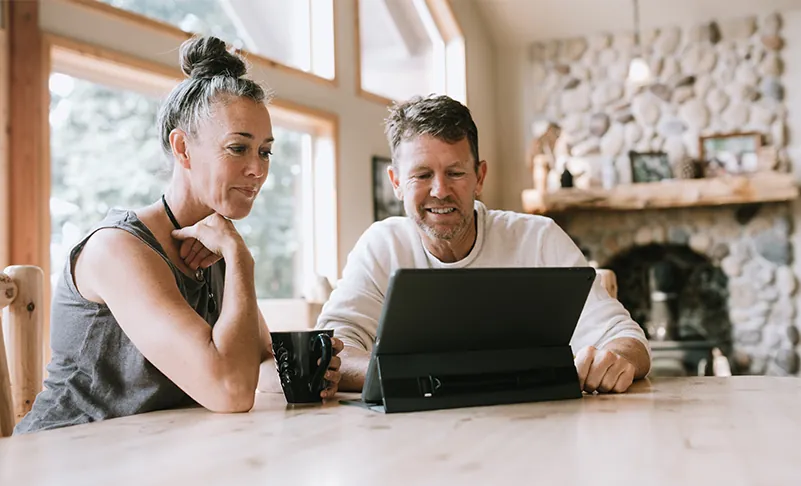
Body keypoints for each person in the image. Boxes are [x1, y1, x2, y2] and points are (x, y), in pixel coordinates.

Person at [15, 36, 342, 434]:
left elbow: (256, 366)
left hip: (152, 454)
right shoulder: (118, 248)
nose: (258, 169)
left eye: (265, 151)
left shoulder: (214, 242)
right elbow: (232, 390)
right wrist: (240, 257)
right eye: (239, 148)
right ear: (183, 148)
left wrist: (312, 374)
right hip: (59, 460)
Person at [316, 95, 650, 394]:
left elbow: (628, 339)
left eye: (456, 173)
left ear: (479, 177)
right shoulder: (381, 246)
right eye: (421, 175)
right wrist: (430, 377)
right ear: (396, 183)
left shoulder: (539, 238)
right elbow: (330, 354)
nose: (440, 190)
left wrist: (617, 360)